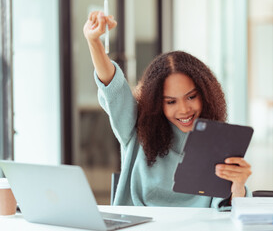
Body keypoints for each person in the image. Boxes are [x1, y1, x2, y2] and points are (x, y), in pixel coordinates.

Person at [83, 11, 252, 210]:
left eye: (191, 97)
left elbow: (227, 208)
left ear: (206, 94)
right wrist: (94, 42)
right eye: (171, 102)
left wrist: (239, 186)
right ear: (157, 103)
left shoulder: (216, 139)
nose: (184, 110)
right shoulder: (135, 128)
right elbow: (113, 86)